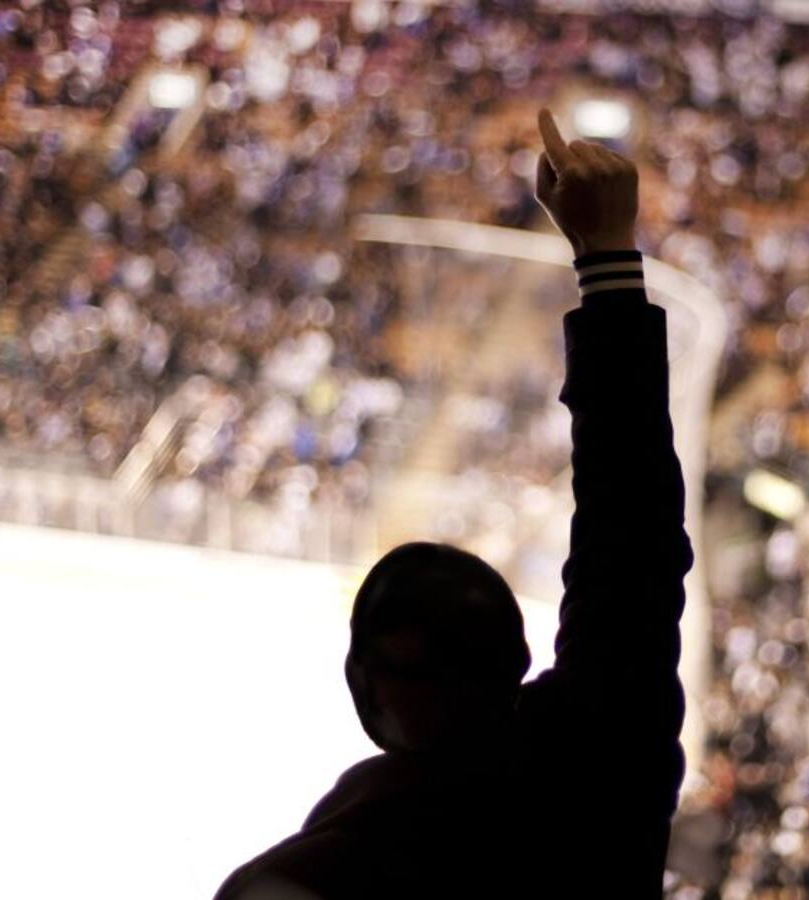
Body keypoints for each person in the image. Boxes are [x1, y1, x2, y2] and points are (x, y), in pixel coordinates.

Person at [213, 108, 694, 899]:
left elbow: (631, 534)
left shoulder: (346, 852)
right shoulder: (604, 747)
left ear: (363, 686)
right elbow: (633, 531)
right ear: (516, 662)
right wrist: (608, 254)